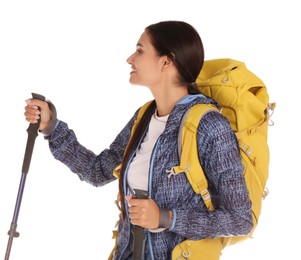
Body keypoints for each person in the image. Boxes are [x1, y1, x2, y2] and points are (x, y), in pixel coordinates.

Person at [24, 20, 253, 260]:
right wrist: (52, 127)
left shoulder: (209, 126)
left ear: (166, 61)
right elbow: (97, 171)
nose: (130, 59)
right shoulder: (144, 117)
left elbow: (240, 220)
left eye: (141, 50)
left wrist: (166, 218)